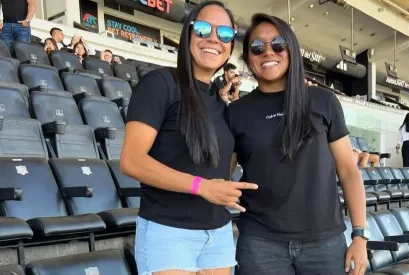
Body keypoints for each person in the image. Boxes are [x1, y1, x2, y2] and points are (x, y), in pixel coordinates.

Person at [119, 2, 257, 275]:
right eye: (204, 28)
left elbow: (221, 166)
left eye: (225, 34)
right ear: (188, 34)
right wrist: (201, 186)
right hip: (169, 233)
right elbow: (131, 161)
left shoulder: (220, 103)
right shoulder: (160, 84)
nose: (214, 39)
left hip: (218, 233)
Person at [226, 13, 368, 275]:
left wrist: (359, 235)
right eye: (257, 47)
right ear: (248, 58)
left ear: (291, 49)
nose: (268, 52)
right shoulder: (236, 112)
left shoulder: (323, 101)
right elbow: (222, 176)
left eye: (278, 44)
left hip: (324, 242)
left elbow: (348, 171)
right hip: (260, 244)